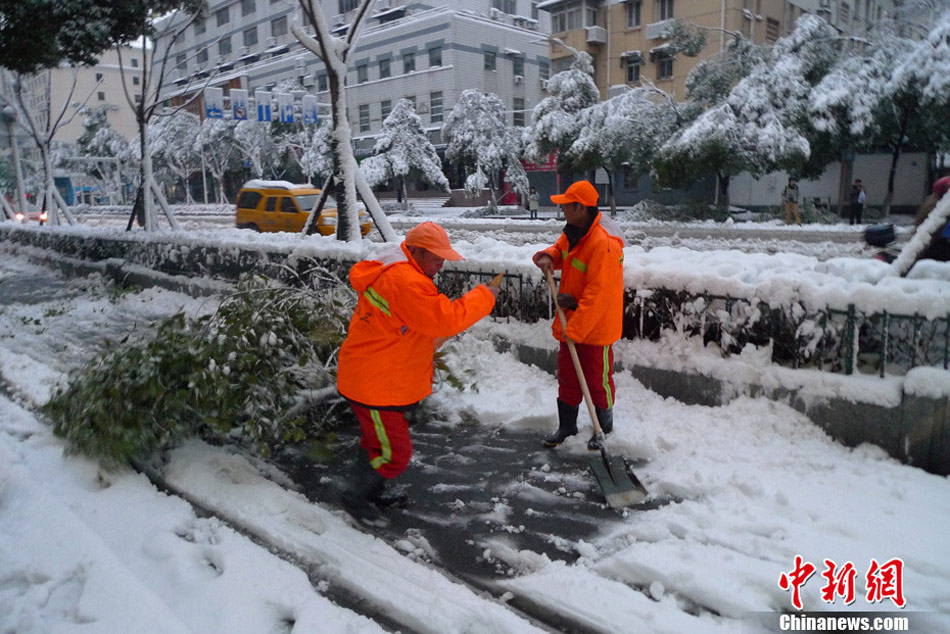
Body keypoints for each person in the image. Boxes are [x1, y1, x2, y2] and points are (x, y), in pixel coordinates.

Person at [336, 221, 499, 526]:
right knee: (395, 452)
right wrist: (485, 296)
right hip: (374, 384)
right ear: (417, 251)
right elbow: (445, 320)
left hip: (376, 377)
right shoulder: (406, 281)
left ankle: (370, 490)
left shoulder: (396, 265)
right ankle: (355, 495)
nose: (441, 264)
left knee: (377, 442)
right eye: (436, 257)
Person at [532, 180, 625, 451]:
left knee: (597, 381)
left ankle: (603, 428)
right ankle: (567, 426)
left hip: (595, 328)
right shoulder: (575, 231)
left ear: (580, 208)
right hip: (572, 321)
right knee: (569, 378)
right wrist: (549, 256)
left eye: (566, 206)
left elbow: (599, 296)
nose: (562, 210)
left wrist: (575, 330)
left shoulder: (603, 244)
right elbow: (561, 249)